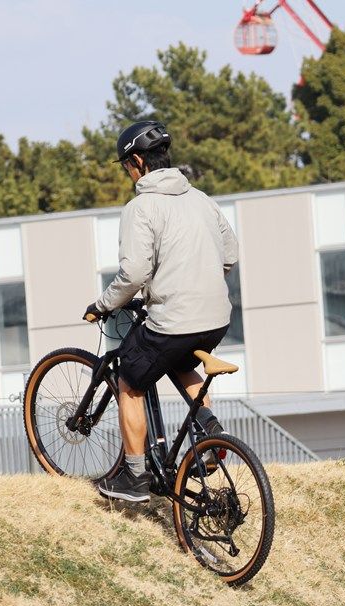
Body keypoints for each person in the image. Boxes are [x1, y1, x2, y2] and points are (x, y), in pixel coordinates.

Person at [83, 120, 239, 503]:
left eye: (126, 166)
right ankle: (211, 436)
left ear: (137, 161)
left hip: (175, 319)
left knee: (130, 383)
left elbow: (134, 273)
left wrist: (103, 304)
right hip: (216, 318)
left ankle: (134, 478)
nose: (127, 174)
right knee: (179, 361)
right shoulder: (201, 198)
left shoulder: (141, 208)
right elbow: (230, 254)